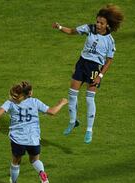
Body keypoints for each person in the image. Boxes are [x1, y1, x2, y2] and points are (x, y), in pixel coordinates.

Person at [52, 4, 124, 144]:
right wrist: (60, 27)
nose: (98, 24)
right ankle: (73, 122)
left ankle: (89, 130)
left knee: (89, 99)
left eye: (101, 23)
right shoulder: (89, 28)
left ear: (107, 25)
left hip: (94, 69)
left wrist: (100, 76)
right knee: (72, 93)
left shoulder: (110, 41)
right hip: (82, 63)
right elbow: (72, 31)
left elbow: (109, 61)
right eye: (97, 21)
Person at [0, 81, 68, 183]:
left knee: (16, 162)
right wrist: (61, 103)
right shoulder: (35, 102)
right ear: (30, 93)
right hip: (33, 139)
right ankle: (42, 173)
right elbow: (52, 112)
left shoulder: (11, 102)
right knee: (34, 160)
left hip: (17, 139)